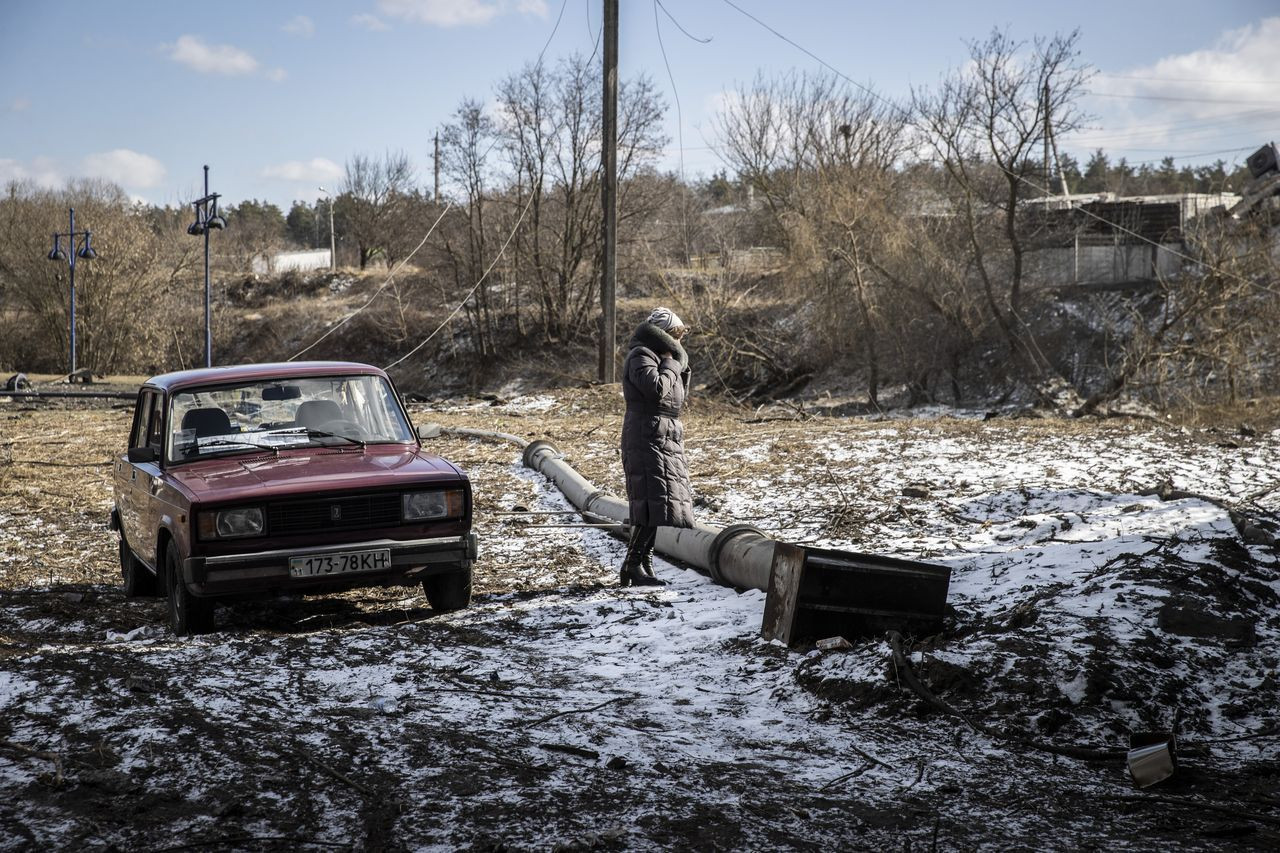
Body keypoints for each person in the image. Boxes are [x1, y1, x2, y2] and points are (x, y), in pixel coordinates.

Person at [619, 306, 695, 587]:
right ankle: (632, 565)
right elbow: (656, 390)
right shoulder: (641, 356)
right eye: (677, 335)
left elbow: (676, 398)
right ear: (666, 335)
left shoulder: (661, 358)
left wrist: (677, 366)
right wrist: (672, 364)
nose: (680, 341)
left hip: (663, 434)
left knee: (659, 503)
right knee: (650, 501)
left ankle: (644, 562)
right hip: (646, 434)